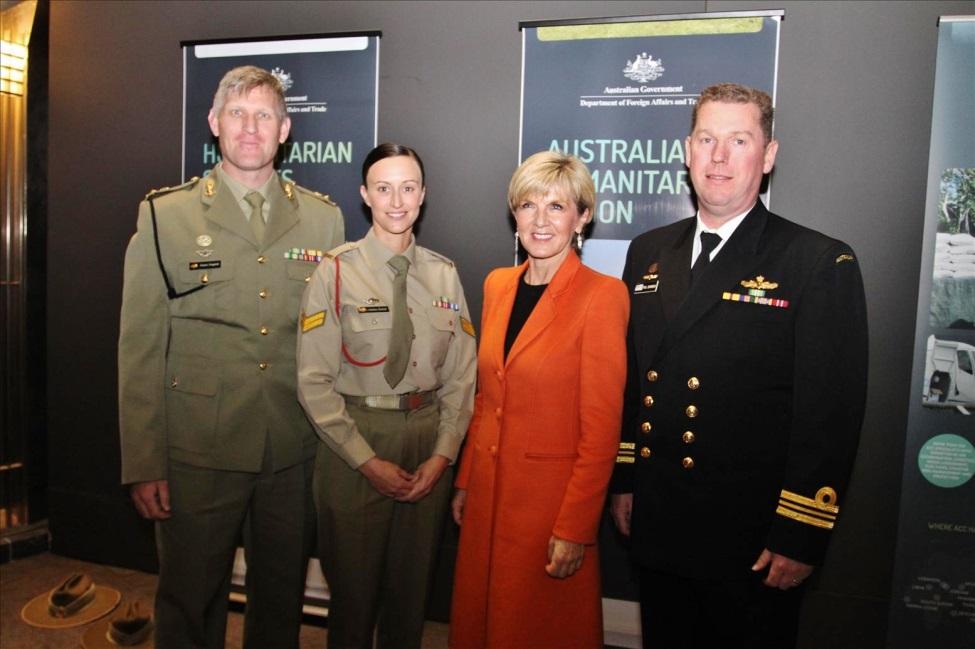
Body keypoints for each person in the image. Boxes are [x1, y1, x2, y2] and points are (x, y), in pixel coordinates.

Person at [609, 82, 868, 648]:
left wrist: (801, 531)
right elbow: (634, 382)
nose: (719, 156)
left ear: (769, 155)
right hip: (661, 520)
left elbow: (830, 414)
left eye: (739, 140)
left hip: (749, 540)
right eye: (706, 139)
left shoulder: (816, 260)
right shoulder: (649, 251)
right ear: (686, 150)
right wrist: (626, 480)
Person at [118, 65, 345, 649]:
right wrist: (145, 460)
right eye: (238, 113)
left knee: (279, 598)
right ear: (215, 123)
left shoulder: (324, 218)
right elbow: (140, 344)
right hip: (197, 448)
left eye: (264, 115)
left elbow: (328, 341)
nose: (251, 128)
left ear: (285, 129)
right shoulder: (166, 215)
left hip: (290, 448)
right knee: (189, 599)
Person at [296, 143, 477, 649]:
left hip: (426, 439)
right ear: (364, 196)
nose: (396, 201)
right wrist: (366, 461)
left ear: (423, 195)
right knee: (352, 599)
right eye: (383, 188)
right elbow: (312, 381)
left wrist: (443, 455)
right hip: (356, 442)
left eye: (408, 187)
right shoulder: (335, 271)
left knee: (410, 596)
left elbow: (463, 375)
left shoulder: (444, 274)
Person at [449, 151, 629, 648]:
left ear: (582, 217)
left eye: (557, 206)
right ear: (514, 215)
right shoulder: (497, 285)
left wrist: (575, 526)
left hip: (548, 510)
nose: (541, 220)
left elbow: (601, 429)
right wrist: (465, 479)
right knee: (481, 623)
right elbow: (487, 395)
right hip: (487, 495)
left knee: (535, 629)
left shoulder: (602, 296)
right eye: (528, 205)